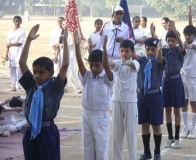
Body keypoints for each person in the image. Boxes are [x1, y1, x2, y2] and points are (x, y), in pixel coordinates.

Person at [18, 24, 69, 160]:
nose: (37, 76)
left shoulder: (54, 87)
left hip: (47, 132)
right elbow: (22, 63)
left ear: (51, 73)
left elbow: (64, 65)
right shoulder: (31, 85)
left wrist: (67, 42)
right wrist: (28, 40)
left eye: (41, 72)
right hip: (30, 131)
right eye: (34, 72)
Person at [75, 28, 114, 160]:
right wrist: (76, 45)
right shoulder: (87, 77)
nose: (94, 68)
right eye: (91, 65)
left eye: (97, 65)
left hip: (101, 117)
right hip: (86, 116)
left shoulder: (107, 78)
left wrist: (104, 48)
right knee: (88, 148)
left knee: (101, 149)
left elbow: (107, 67)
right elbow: (80, 64)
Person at [133, 37, 165, 160]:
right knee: (144, 124)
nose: (150, 52)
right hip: (141, 96)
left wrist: (160, 49)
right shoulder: (142, 60)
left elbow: (161, 59)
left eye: (153, 49)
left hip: (154, 96)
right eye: (148, 49)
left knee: (156, 125)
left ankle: (157, 152)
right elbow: (134, 54)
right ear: (145, 49)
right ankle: (147, 152)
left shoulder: (159, 61)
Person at [110, 40, 139, 160]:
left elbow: (133, 66)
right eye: (121, 51)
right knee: (117, 134)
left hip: (131, 101)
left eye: (127, 51)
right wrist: (103, 60)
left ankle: (133, 157)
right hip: (117, 100)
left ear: (132, 52)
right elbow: (111, 64)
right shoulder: (117, 63)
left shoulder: (135, 63)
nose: (124, 54)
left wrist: (127, 62)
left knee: (131, 134)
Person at [161, 23, 185, 149]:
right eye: (169, 40)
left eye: (173, 40)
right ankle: (170, 137)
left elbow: (182, 47)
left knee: (177, 110)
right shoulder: (164, 50)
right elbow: (157, 52)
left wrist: (176, 32)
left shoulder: (179, 52)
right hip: (166, 81)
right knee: (167, 110)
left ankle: (177, 138)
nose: (170, 43)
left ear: (176, 40)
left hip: (176, 82)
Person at [180, 24, 196, 139]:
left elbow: (191, 47)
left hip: (193, 77)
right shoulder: (182, 44)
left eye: (189, 35)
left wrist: (185, 45)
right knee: (184, 103)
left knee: (193, 102)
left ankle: (193, 129)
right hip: (183, 76)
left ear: (194, 35)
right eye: (186, 35)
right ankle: (186, 127)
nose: (187, 37)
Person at [3, 16, 26, 92]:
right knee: (11, 69)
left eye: (19, 21)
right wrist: (6, 54)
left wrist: (10, 44)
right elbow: (7, 44)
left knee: (18, 69)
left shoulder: (22, 31)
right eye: (16, 21)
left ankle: (18, 86)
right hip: (11, 53)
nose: (17, 23)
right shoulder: (10, 31)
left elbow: (20, 43)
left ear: (21, 22)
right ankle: (13, 85)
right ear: (13, 22)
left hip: (19, 51)